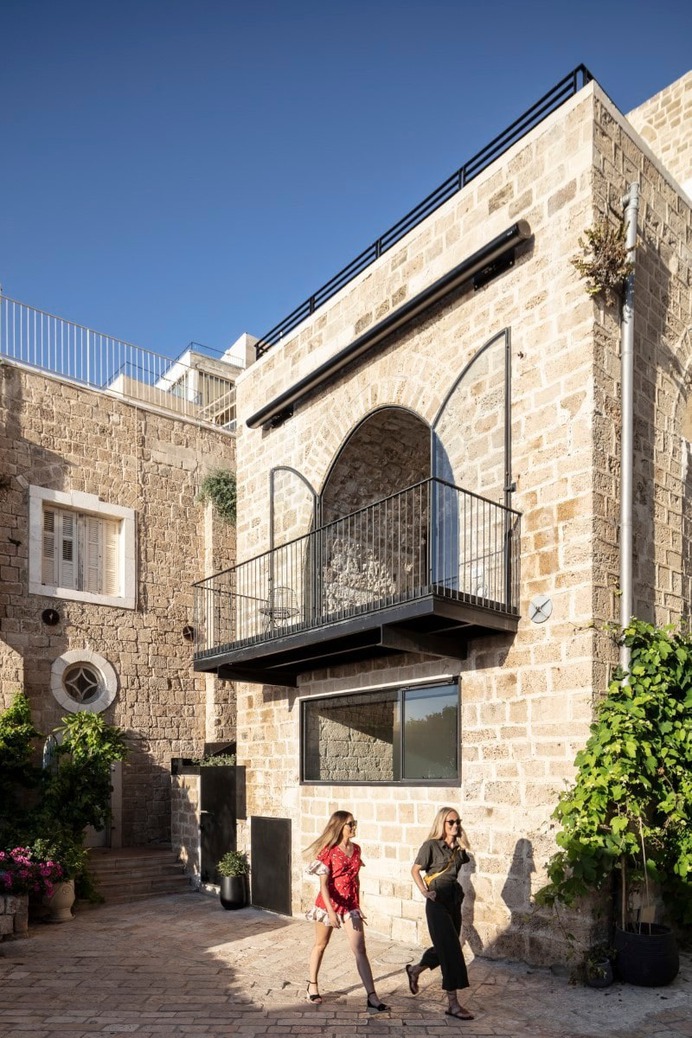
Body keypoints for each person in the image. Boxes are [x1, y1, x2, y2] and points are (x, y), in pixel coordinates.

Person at [304, 810, 389, 1012]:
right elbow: (323, 885)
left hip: (350, 906)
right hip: (329, 905)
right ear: (340, 827)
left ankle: (372, 996)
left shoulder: (356, 849)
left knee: (360, 949)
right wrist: (331, 912)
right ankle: (312, 985)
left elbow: (356, 879)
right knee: (321, 944)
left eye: (354, 823)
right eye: (350, 824)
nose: (353, 827)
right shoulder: (329, 851)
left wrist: (357, 905)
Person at [405, 806, 474, 1020]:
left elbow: (465, 859)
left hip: (454, 901)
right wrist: (424, 892)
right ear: (442, 823)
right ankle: (453, 1004)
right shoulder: (431, 846)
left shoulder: (459, 849)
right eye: (450, 822)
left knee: (445, 946)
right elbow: (415, 870)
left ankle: (415, 970)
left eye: (458, 822)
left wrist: (462, 842)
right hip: (437, 903)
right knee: (451, 950)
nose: (455, 825)